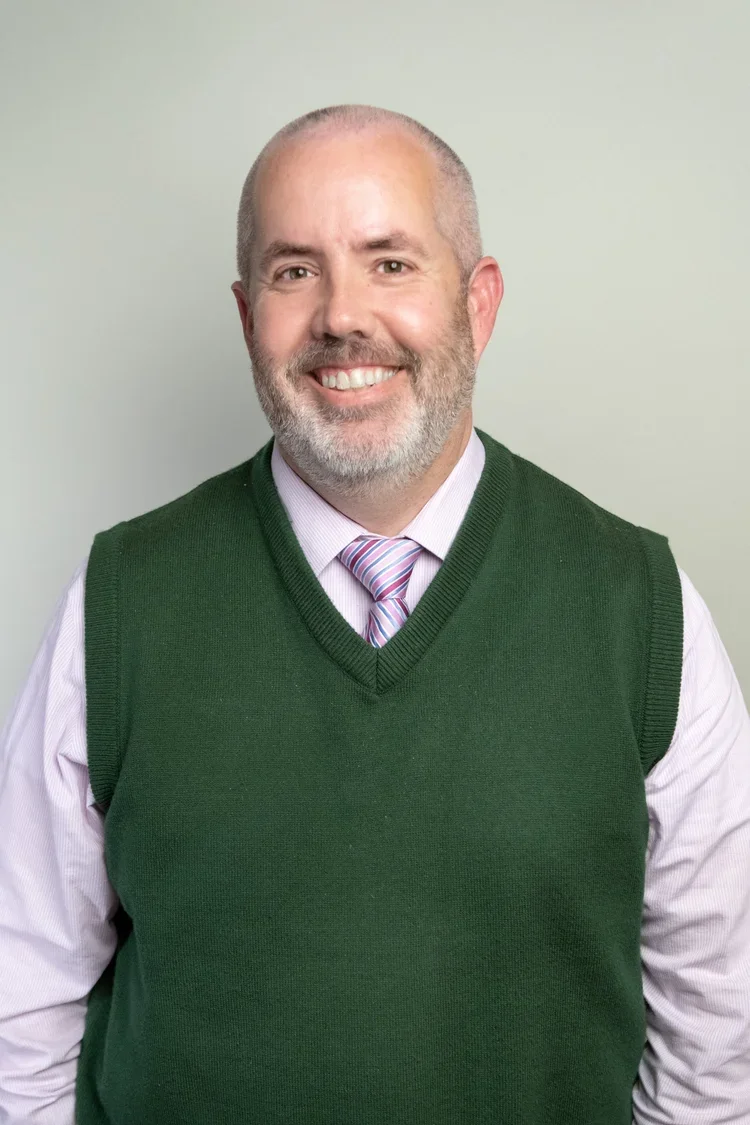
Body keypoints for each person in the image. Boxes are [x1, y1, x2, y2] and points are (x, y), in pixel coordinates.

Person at [1, 104, 748, 1125]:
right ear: (245, 312)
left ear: (478, 303)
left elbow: (716, 1038)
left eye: (391, 263)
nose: (341, 315)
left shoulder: (641, 608)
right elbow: (18, 1002)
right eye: (293, 270)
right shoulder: (121, 601)